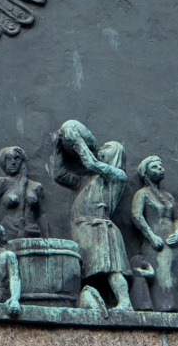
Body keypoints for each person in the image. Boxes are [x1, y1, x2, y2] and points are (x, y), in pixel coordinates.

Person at [52, 123, 134, 313]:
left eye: (106, 148)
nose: (100, 150)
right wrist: (57, 148)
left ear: (115, 155)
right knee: (83, 267)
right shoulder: (87, 181)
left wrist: (76, 139)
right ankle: (86, 300)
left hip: (101, 227)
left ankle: (125, 302)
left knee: (113, 268)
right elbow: (59, 176)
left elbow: (91, 163)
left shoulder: (117, 176)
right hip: (83, 228)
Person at [128, 155, 178, 312]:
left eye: (161, 166)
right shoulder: (142, 194)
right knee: (159, 276)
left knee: (173, 276)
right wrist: (151, 236)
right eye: (154, 167)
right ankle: (161, 307)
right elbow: (137, 216)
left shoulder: (168, 196)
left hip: (173, 242)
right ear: (145, 173)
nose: (160, 169)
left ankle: (175, 307)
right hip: (155, 242)